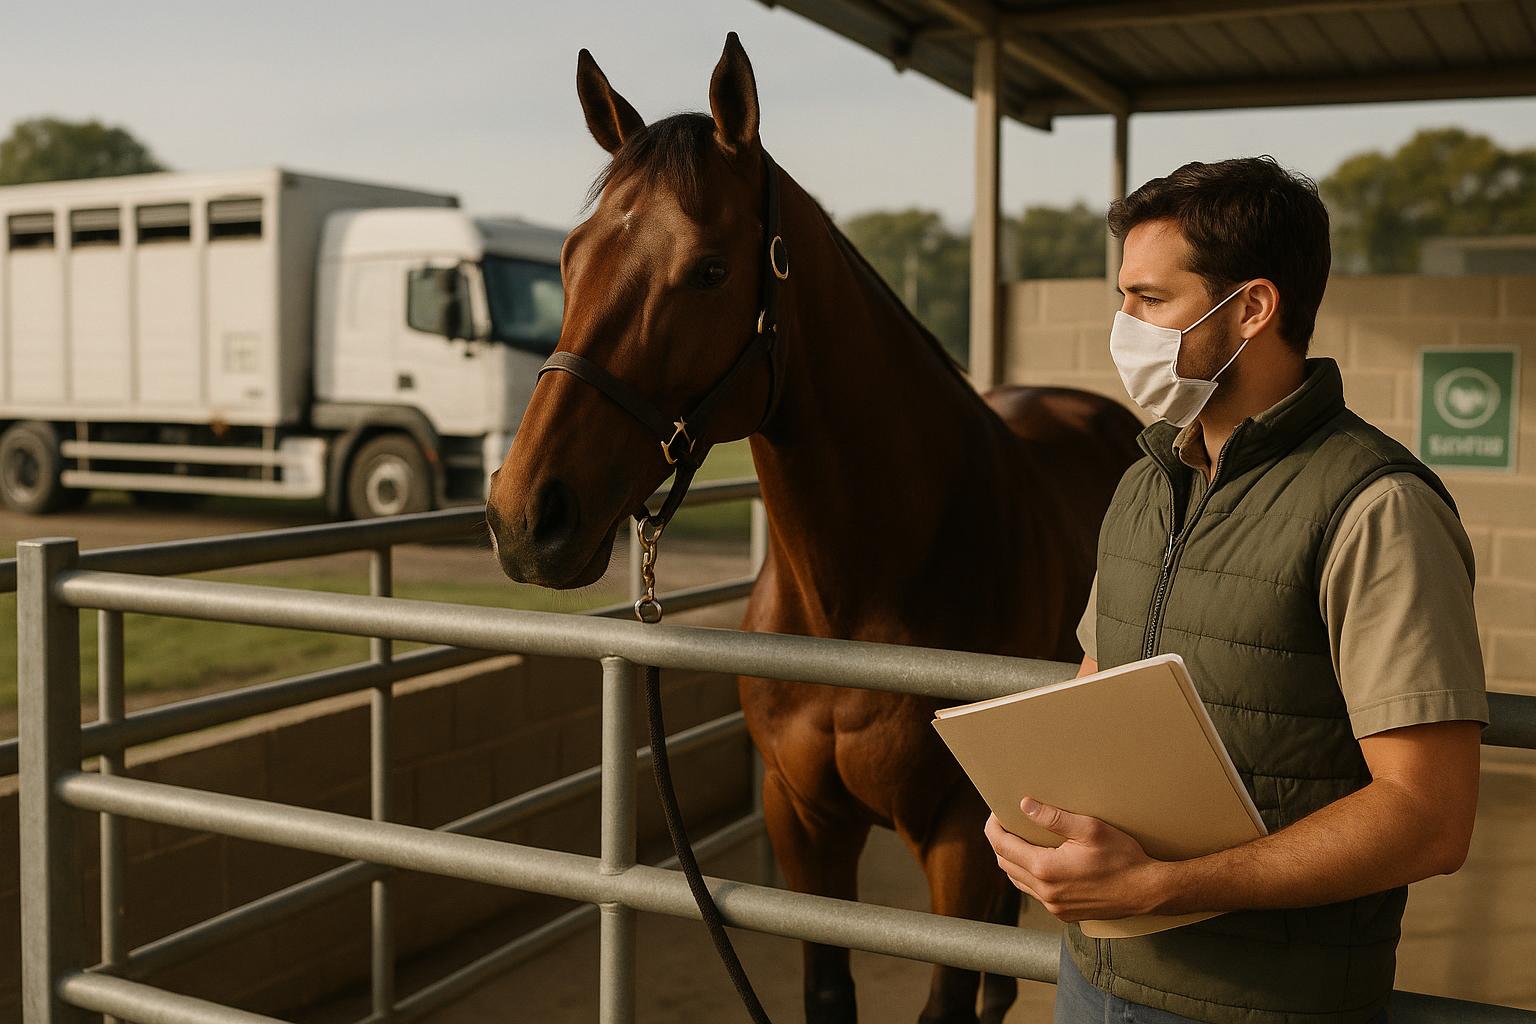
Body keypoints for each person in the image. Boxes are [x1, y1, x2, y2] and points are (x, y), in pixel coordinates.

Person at [982, 156, 1489, 1024]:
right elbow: (1094, 693)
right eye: (1123, 298)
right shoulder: (1145, 481)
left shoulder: (1377, 506)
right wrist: (1032, 817)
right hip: (1093, 976)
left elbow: (1429, 817)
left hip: (1260, 1003)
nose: (1124, 325)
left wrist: (1162, 885)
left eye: (1148, 299)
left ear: (1251, 308)